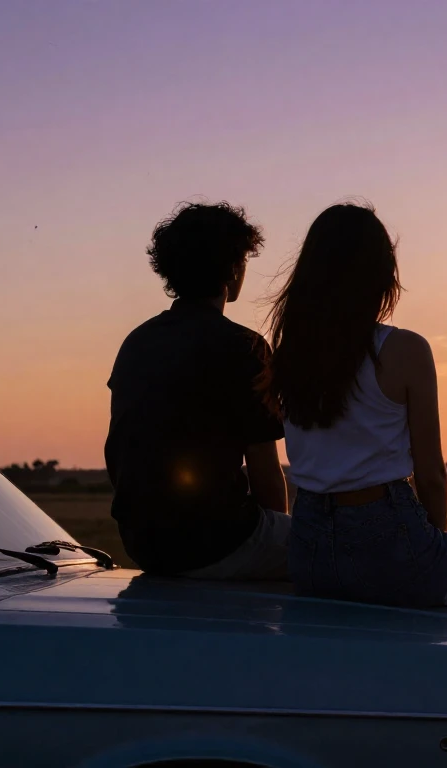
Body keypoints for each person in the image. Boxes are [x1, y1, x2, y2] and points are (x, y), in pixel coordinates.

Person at [264, 203, 447, 614]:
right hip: (386, 538)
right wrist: (433, 555)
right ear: (380, 275)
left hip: (307, 547)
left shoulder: (288, 358)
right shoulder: (404, 350)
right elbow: (431, 475)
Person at [105, 201, 290, 580]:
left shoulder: (136, 343)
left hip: (144, 545)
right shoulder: (245, 347)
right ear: (235, 267)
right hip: (216, 541)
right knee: (328, 551)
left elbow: (123, 449)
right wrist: (278, 538)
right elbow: (265, 473)